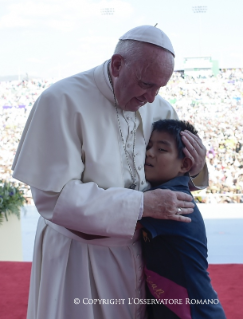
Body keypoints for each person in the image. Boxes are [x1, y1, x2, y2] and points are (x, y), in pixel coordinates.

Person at [12, 25, 208, 319]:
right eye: (145, 84)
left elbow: (170, 181)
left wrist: (195, 166)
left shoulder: (161, 108)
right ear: (117, 65)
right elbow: (53, 198)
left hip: (140, 256)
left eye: (159, 87)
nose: (152, 98)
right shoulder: (61, 100)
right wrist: (142, 205)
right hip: (77, 258)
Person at [140, 119, 226, 319]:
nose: (149, 153)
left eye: (161, 149)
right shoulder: (168, 192)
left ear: (185, 164)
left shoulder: (170, 200)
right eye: (148, 146)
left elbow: (106, 227)